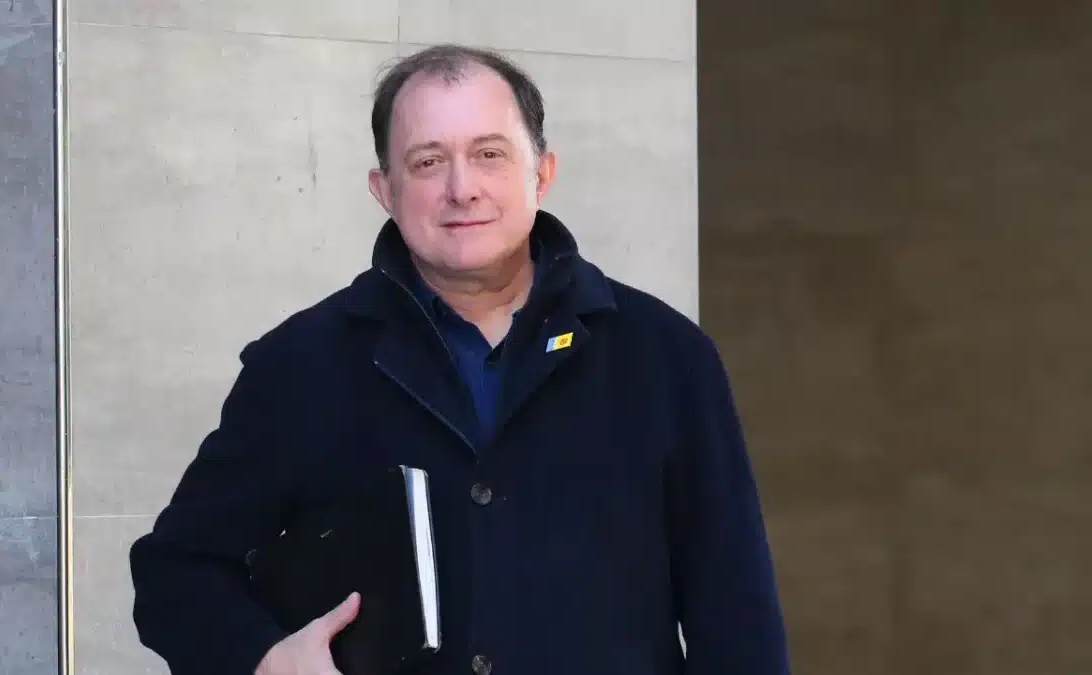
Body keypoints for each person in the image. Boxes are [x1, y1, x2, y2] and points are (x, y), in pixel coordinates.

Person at [129, 43, 790, 675]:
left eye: (489, 154)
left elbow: (736, 614)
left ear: (543, 173)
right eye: (427, 162)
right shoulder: (298, 365)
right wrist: (264, 657)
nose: (461, 188)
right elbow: (177, 571)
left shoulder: (666, 357)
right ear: (383, 189)